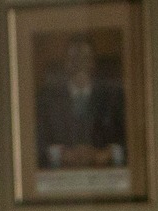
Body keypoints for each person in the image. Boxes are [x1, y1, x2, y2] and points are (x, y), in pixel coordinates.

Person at [35, 34, 127, 170]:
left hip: (104, 172)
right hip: (59, 174)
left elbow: (131, 140)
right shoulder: (46, 99)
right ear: (65, 63)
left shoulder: (113, 97)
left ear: (93, 62)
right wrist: (60, 154)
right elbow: (35, 143)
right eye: (73, 58)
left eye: (85, 58)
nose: (79, 64)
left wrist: (108, 153)